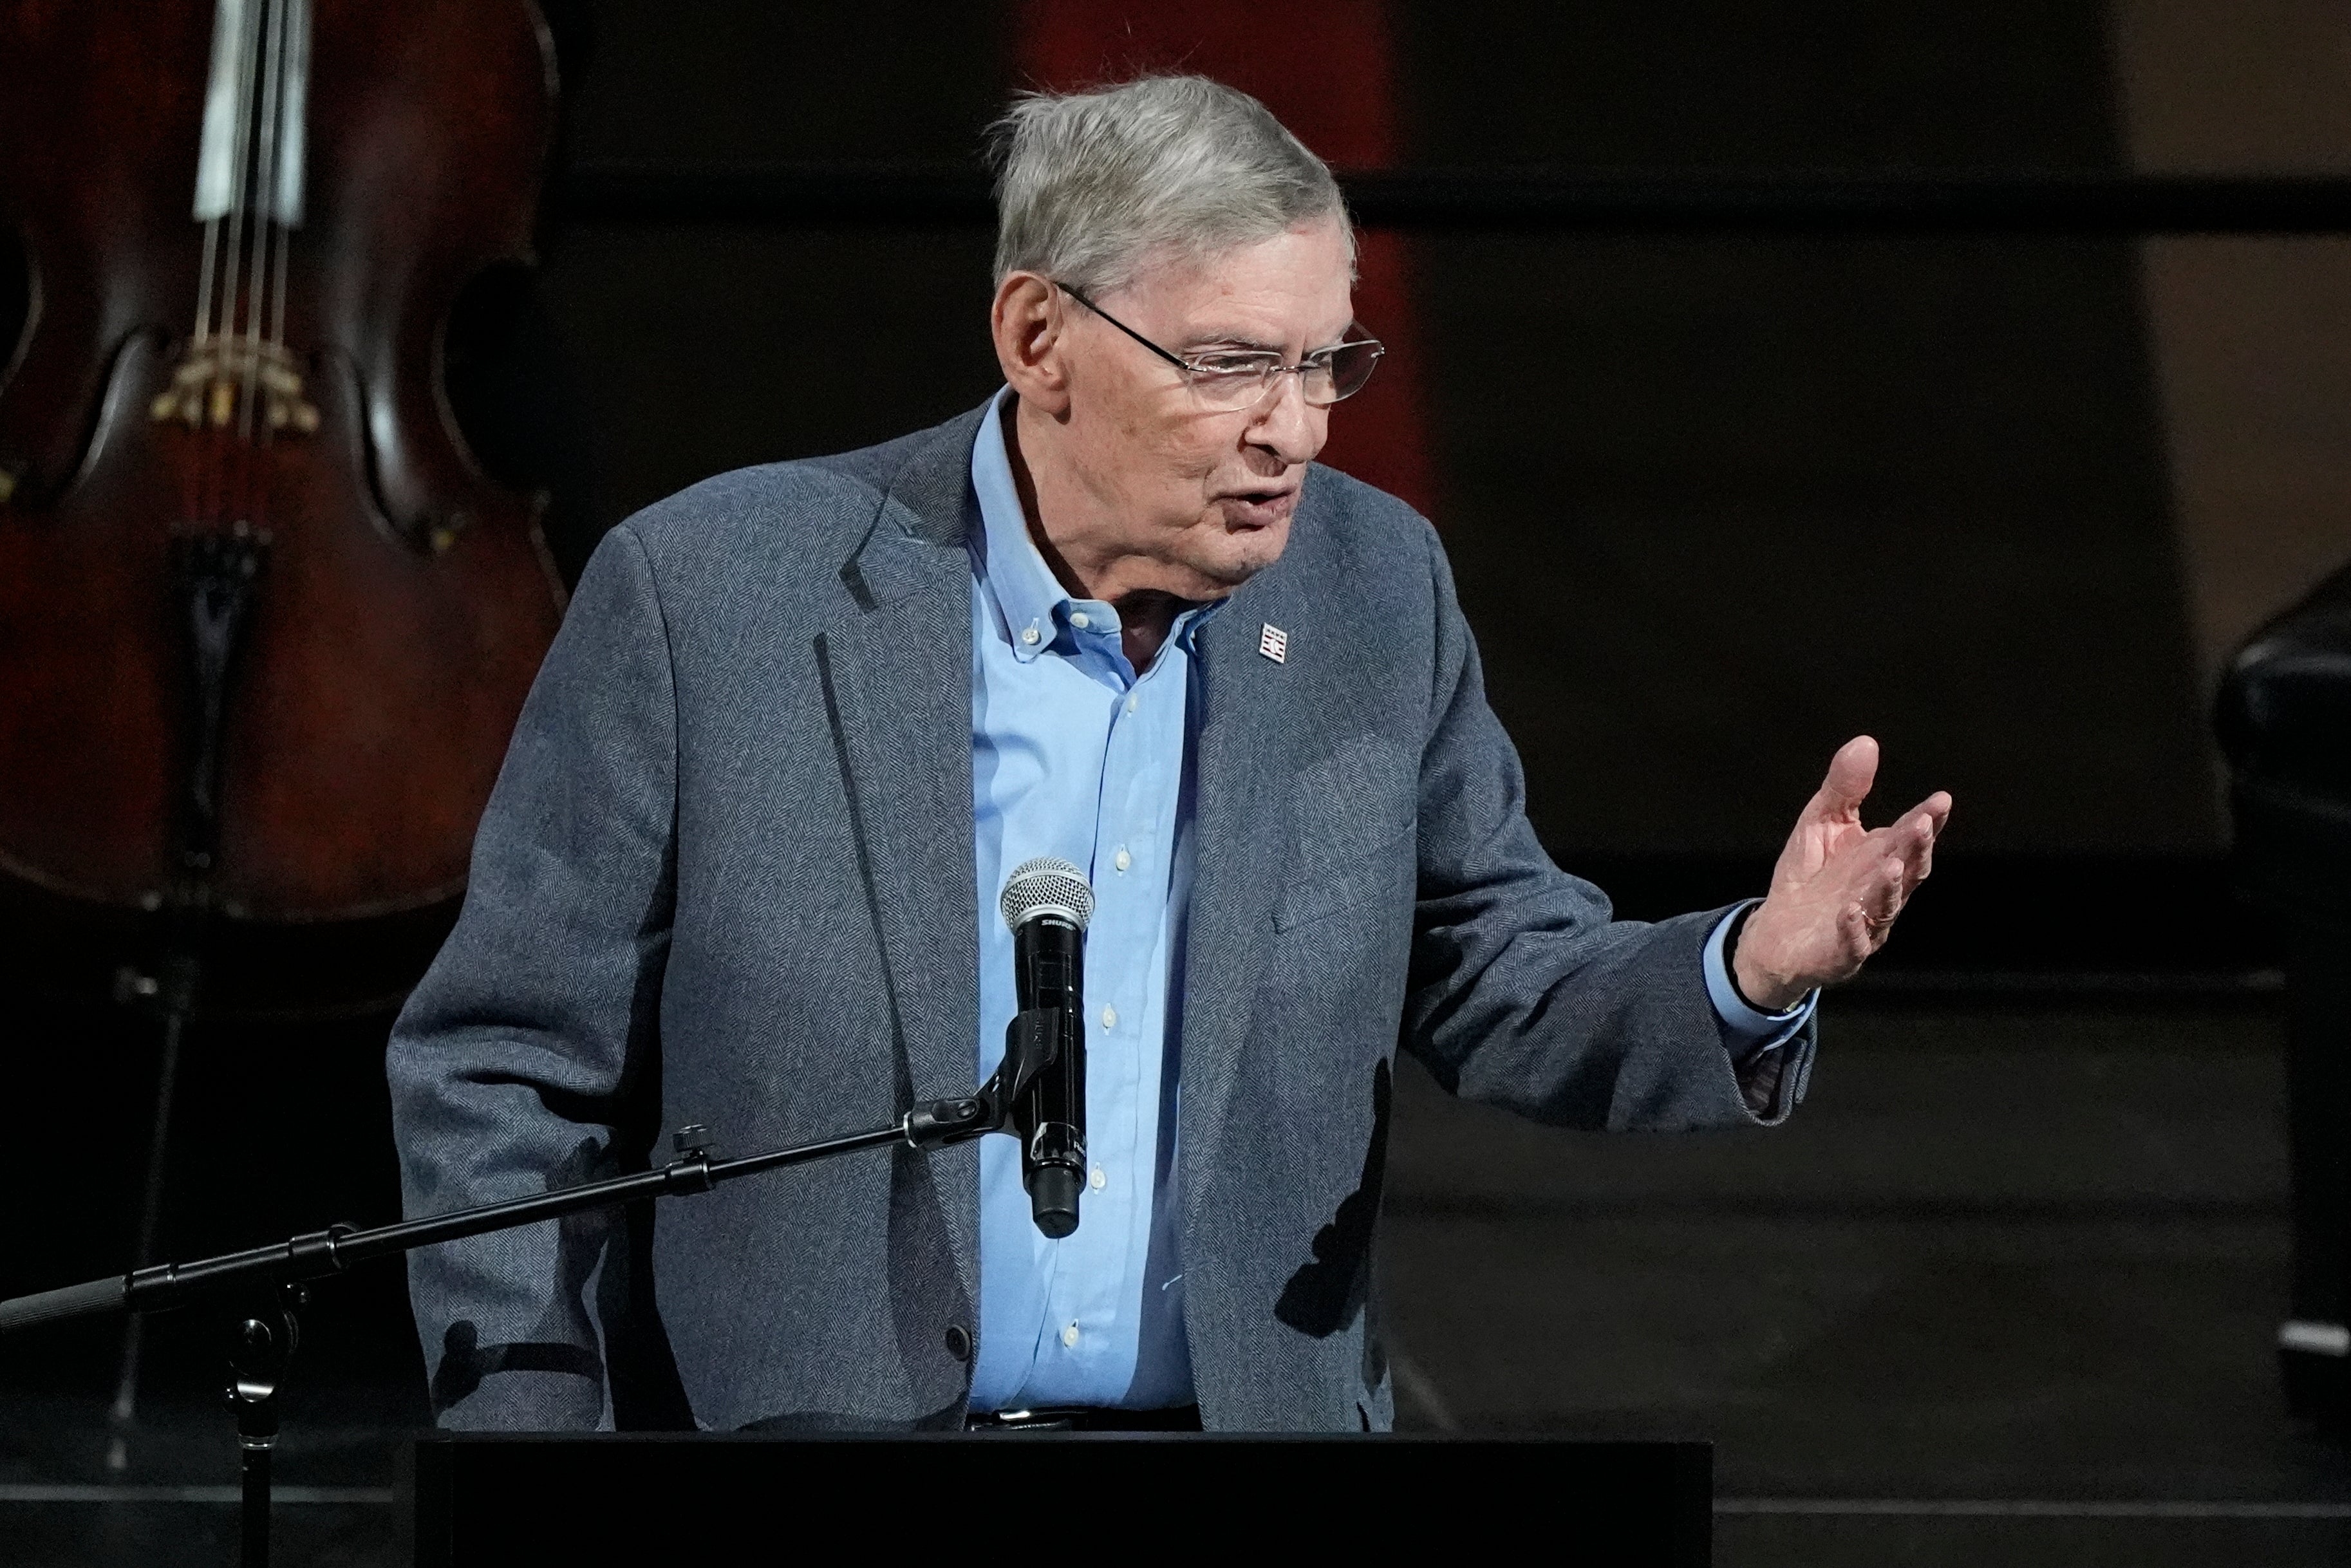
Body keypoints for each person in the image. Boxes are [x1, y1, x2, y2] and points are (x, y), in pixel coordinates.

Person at [388, 74, 1950, 1433]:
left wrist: (1747, 966)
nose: (1295, 430)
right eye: (1228, 365)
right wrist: (531, 1449)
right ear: (1037, 337)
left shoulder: (1371, 591)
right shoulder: (714, 596)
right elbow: (503, 1067)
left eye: (1325, 362)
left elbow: (1495, 968)